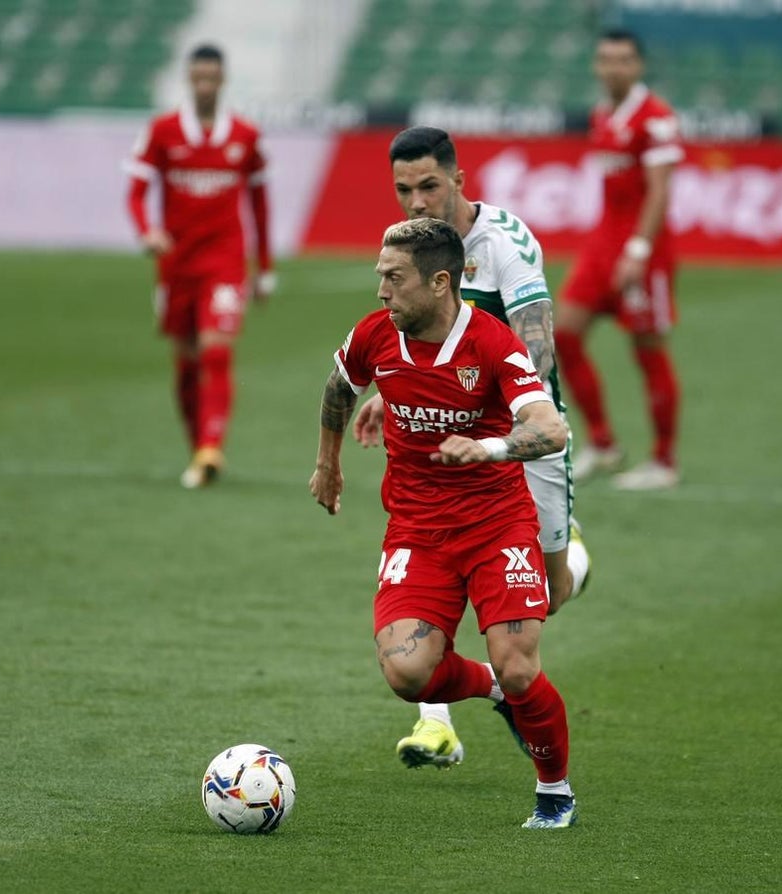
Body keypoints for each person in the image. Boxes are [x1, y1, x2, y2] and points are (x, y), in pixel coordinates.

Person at [309, 217, 578, 830]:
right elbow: (337, 388)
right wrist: (328, 465)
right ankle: (495, 694)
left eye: (393, 278)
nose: (381, 290)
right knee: (407, 674)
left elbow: (552, 428)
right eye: (380, 275)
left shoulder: (492, 343)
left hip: (497, 525)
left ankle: (554, 791)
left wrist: (486, 449)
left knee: (519, 664)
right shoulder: (374, 336)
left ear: (438, 282)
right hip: (417, 530)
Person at [352, 126, 590, 770]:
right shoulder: (417, 249)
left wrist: (504, 418)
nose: (417, 201)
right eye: (403, 189)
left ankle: (575, 570)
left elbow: (535, 348)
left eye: (429, 185)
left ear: (459, 179)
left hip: (523, 438)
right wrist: (393, 393)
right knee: (435, 573)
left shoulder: (504, 243)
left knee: (550, 587)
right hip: (442, 445)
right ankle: (438, 722)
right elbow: (415, 341)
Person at [124, 43, 275, 489]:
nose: (206, 85)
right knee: (187, 365)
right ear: (189, 80)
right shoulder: (162, 131)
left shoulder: (245, 135)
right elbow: (134, 192)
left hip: (225, 261)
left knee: (216, 349)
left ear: (222, 80)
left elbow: (260, 203)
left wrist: (264, 267)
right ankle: (198, 449)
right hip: (176, 265)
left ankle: (212, 446)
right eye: (199, 77)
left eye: (212, 77)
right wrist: (146, 230)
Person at [555, 28, 684, 490]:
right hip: (600, 245)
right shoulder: (602, 115)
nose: (614, 67)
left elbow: (659, 190)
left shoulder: (656, 119)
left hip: (641, 252)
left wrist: (638, 250)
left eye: (624, 60)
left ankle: (664, 461)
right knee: (562, 335)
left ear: (639, 65)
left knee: (648, 350)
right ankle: (604, 443)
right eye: (606, 59)